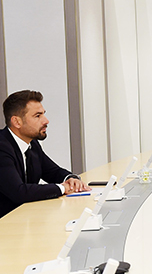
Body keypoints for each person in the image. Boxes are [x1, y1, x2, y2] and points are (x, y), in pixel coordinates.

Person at [0, 90, 90, 218]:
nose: (46, 121)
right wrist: (62, 188)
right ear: (17, 122)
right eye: (37, 116)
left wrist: (71, 179)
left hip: (24, 218)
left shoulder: (32, 144)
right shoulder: (2, 147)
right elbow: (19, 192)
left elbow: (53, 172)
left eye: (43, 114)